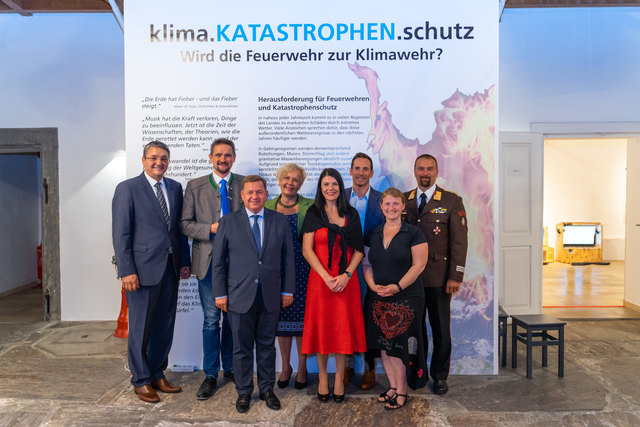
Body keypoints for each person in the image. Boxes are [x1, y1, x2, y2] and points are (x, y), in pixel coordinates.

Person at [111, 140, 191, 403]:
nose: (159, 163)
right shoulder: (128, 189)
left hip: (170, 268)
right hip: (141, 272)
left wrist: (184, 261)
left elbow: (177, 230)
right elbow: (121, 234)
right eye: (154, 158)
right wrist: (126, 271)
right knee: (140, 328)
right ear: (143, 160)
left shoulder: (175, 188)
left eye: (164, 158)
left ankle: (157, 372)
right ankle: (140, 380)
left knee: (164, 326)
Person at [211, 175, 295, 414]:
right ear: (242, 195)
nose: (254, 196)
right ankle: (244, 391)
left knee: (267, 346)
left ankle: (267, 389)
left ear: (266, 194)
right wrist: (220, 294)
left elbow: (287, 258)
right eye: (250, 192)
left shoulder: (279, 221)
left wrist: (287, 290)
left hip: (270, 294)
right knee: (241, 347)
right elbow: (219, 262)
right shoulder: (228, 222)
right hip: (238, 296)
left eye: (259, 192)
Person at [181, 138, 243, 400]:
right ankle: (209, 374)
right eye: (218, 155)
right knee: (210, 320)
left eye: (228, 155)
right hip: (207, 264)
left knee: (232, 319)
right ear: (210, 157)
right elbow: (185, 224)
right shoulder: (195, 187)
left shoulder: (243, 184)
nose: (223, 159)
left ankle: (230, 368)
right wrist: (211, 229)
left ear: (233, 158)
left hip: (238, 265)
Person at [403, 154, 468, 395]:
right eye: (421, 168)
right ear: (414, 171)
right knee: (414, 331)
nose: (425, 173)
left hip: (440, 279)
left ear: (436, 171)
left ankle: (439, 376)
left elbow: (459, 243)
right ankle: (417, 373)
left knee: (440, 329)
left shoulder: (451, 201)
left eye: (429, 169)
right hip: (410, 280)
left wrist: (456, 276)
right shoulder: (404, 201)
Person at [301, 168, 366, 403]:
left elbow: (359, 250)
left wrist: (346, 275)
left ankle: (338, 378)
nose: (330, 188)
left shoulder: (351, 214)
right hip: (320, 282)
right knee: (322, 330)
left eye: (334, 184)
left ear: (341, 186)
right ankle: (321, 376)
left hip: (345, 283)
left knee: (341, 330)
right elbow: (307, 249)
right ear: (320, 187)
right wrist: (326, 276)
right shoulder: (313, 213)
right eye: (326, 184)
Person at [362, 188, 428, 410]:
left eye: (395, 204)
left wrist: (398, 286)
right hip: (378, 297)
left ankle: (401, 391)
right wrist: (372, 286)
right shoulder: (373, 233)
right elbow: (366, 263)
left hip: (407, 297)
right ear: (381, 207)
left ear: (402, 206)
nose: (391, 208)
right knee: (384, 344)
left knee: (398, 346)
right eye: (387, 204)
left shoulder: (414, 233)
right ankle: (392, 386)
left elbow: (419, 265)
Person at [264, 163, 313, 390]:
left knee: (303, 323)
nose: (290, 183)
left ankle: (302, 367)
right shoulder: (267, 205)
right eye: (286, 178)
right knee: (281, 323)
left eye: (295, 180)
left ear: (300, 184)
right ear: (279, 180)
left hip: (304, 270)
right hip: (277, 272)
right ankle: (286, 367)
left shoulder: (310, 206)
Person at [344, 152, 385, 390]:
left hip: (374, 268)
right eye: (356, 168)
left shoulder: (382, 200)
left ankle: (370, 369)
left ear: (371, 173)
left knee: (372, 319)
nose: (360, 173)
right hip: (345, 268)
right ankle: (348, 365)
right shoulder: (339, 199)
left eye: (365, 169)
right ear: (350, 171)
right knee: (347, 316)